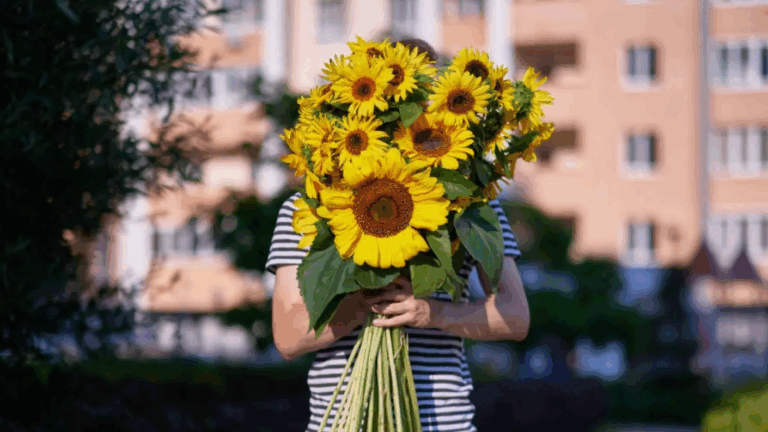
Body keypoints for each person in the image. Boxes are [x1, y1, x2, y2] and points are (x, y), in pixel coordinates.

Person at [266, 39, 530, 432]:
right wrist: (363, 304)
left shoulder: (475, 208)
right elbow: (288, 337)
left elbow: (514, 317)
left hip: (445, 423)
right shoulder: (309, 207)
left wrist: (434, 312)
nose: (407, 122)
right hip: (341, 423)